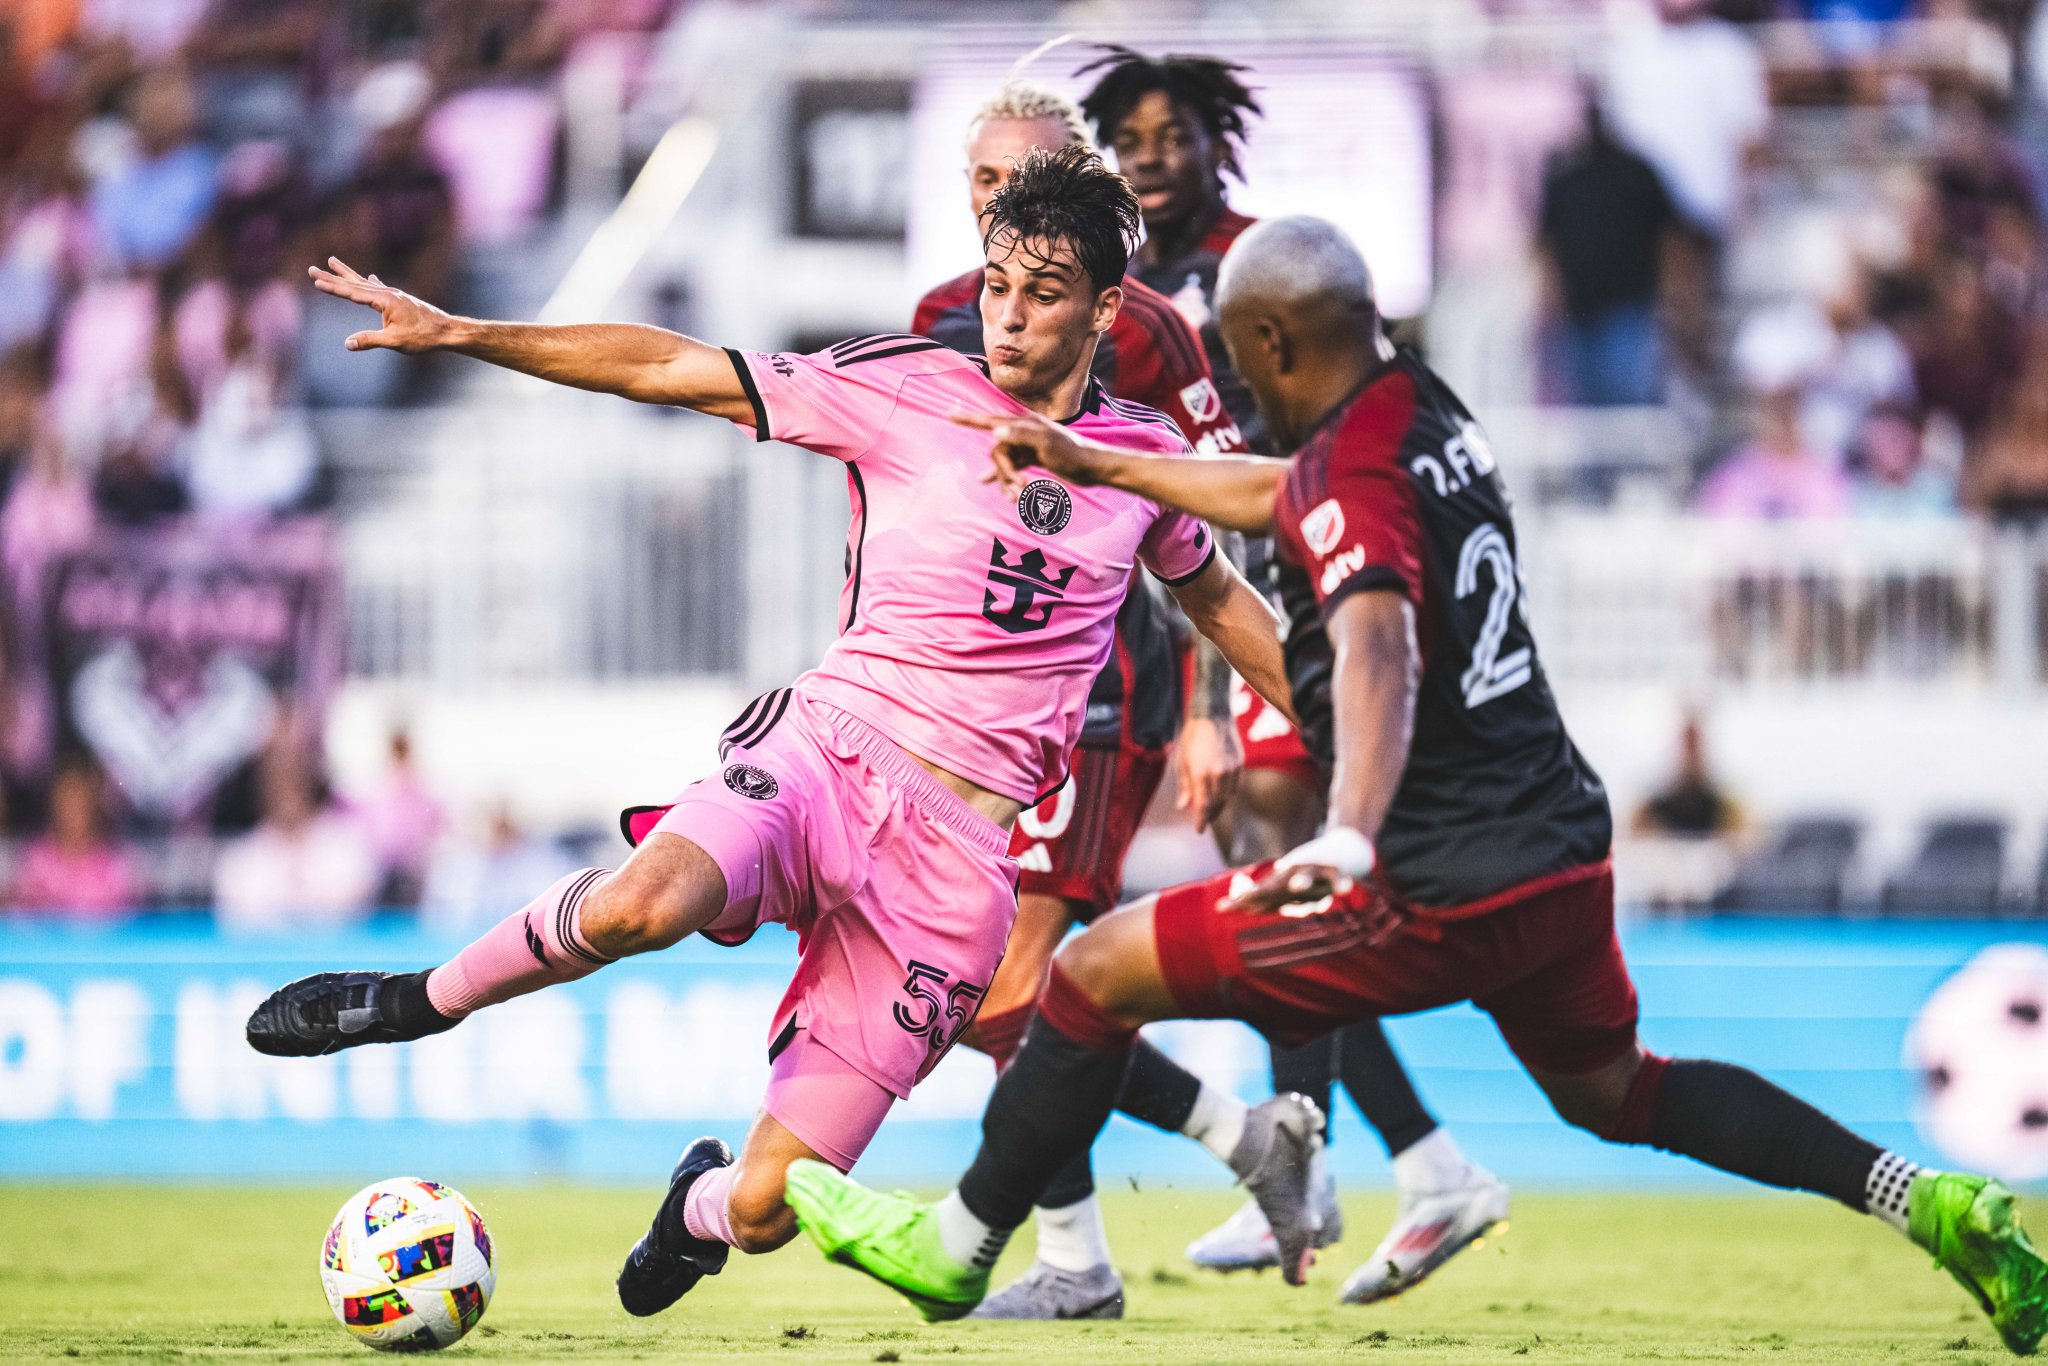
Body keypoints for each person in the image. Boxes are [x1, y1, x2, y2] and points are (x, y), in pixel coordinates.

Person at [782, 217, 2048, 1358]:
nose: (1232, 384)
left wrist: (1349, 825)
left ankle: (956, 1244)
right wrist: (1103, 464)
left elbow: (1374, 638)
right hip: (1556, 845)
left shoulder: (1355, 477)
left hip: (1425, 873)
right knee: (1620, 1091)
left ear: (1271, 339)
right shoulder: (1421, 411)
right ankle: (1920, 1200)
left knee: (1090, 974)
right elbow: (1283, 500)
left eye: (1237, 355)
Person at [241, 146, 1295, 1319]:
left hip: (956, 872)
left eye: (1041, 294)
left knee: (764, 1211)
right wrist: (461, 332)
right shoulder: (903, 386)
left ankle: (693, 1202)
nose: (1006, 315)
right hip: (829, 756)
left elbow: (1217, 604)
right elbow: (671, 366)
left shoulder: (1145, 460)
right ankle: (412, 1000)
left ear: (1103, 309)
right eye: (995, 284)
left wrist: (1347, 731)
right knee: (644, 903)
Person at [1080, 43, 1505, 1296]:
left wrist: (1213, 702)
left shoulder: (1266, 271)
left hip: (1314, 599)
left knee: (1283, 884)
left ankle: (1331, 1170)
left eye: (1173, 134)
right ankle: (1393, 1166)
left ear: (1220, 142)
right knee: (1284, 898)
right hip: (1242, 609)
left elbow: (1289, 471)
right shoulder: (1129, 289)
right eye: (1131, 139)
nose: (1151, 157)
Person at [907, 79, 1249, 1320]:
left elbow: (1210, 508)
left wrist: (1211, 708)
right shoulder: (936, 320)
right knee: (984, 1000)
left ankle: (1068, 1264)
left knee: (1003, 993)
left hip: (1108, 697)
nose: (1008, 206)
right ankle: (1240, 1137)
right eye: (987, 186)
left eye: (1032, 179)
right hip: (974, 721)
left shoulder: (1147, 325)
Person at [1535, 90, 1678, 406]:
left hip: (1629, 309)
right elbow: (1546, 242)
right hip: (1577, 313)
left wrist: (1676, 298)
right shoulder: (1565, 177)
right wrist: (1549, 300)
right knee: (1584, 412)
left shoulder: (1639, 172)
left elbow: (1670, 236)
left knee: (1628, 404)